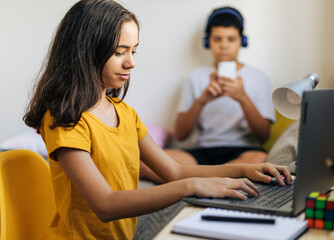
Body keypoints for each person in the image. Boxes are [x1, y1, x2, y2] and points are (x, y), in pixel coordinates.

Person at [23, 1, 290, 239]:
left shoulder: (125, 113)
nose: (131, 63)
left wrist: (241, 170)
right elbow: (105, 204)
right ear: (85, 51)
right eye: (119, 52)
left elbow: (174, 171)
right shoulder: (64, 118)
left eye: (133, 52)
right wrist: (192, 186)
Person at [140, 7, 276, 182]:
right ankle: (221, 177)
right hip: (202, 154)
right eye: (217, 39)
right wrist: (201, 101)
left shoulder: (258, 78)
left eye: (231, 39)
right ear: (208, 42)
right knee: (146, 162)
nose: (224, 45)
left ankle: (203, 179)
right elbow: (181, 134)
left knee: (258, 159)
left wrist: (242, 98)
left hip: (243, 151)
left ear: (241, 41)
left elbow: (263, 136)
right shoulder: (196, 77)